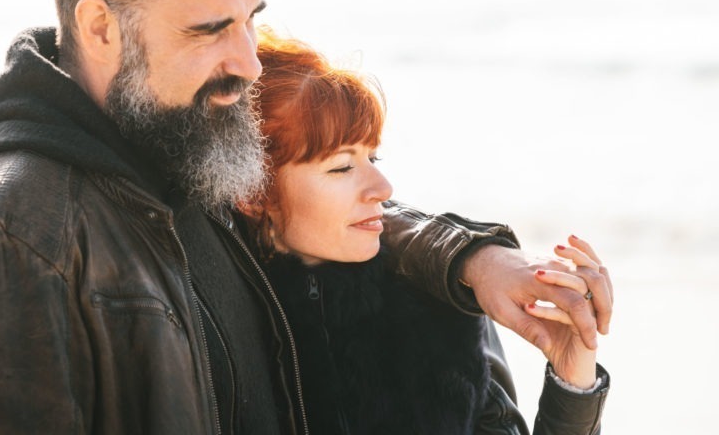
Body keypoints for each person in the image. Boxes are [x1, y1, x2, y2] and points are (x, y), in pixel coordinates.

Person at [0, 0, 611, 433]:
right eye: (210, 28)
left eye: (251, 20)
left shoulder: (175, 146)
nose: (247, 62)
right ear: (100, 27)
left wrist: (472, 259)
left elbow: (309, 217)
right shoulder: (9, 231)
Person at [236, 29, 611, 434]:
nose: (383, 188)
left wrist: (573, 383)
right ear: (253, 192)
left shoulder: (437, 303)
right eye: (341, 167)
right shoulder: (214, 316)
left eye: (372, 157)